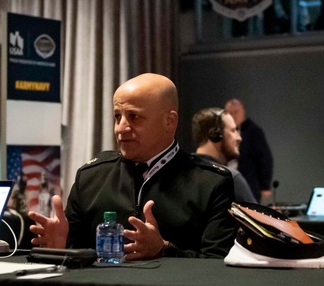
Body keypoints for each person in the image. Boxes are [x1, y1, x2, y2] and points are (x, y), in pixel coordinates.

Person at [29, 73, 235, 260]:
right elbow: (78, 256)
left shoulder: (211, 183)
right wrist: (60, 246)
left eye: (134, 117)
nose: (121, 128)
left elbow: (217, 265)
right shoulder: (90, 177)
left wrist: (164, 249)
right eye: (118, 116)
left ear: (169, 122)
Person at [192, 107, 256, 203]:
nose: (239, 138)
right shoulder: (230, 179)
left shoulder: (177, 173)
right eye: (233, 130)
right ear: (215, 134)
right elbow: (258, 217)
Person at [224, 98, 274, 204]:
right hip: (228, 184)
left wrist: (265, 186)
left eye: (236, 112)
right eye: (229, 113)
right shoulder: (224, 132)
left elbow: (265, 159)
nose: (233, 116)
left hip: (248, 184)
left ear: (243, 111)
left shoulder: (254, 132)